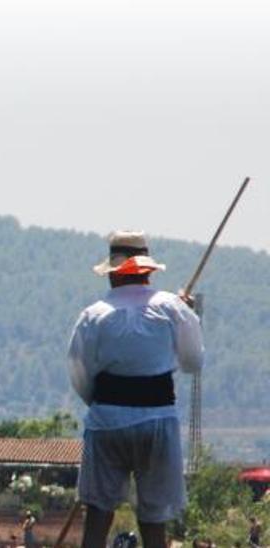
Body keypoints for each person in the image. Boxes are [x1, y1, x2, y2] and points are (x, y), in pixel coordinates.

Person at [69, 231, 203, 548]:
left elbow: (79, 374)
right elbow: (192, 362)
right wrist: (190, 315)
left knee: (98, 516)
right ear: (147, 270)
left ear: (114, 272)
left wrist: (105, 406)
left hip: (106, 422)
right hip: (157, 422)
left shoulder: (93, 315)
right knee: (154, 520)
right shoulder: (172, 308)